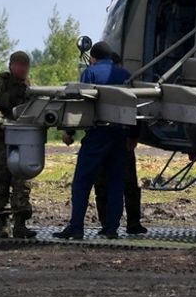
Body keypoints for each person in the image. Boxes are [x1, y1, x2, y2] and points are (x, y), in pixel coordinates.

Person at [56, 41, 131, 240]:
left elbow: (79, 104)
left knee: (82, 181)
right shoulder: (125, 75)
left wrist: (69, 132)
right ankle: (111, 228)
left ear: (93, 58)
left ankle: (76, 226)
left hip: (97, 134)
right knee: (116, 183)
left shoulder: (90, 73)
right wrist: (133, 135)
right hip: (119, 134)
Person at [0, 50, 36, 239]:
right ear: (11, 66)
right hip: (0, 139)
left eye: (25, 66)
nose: (23, 69)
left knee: (22, 180)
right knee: (1, 179)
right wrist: (3, 123)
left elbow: (37, 105)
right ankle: (4, 223)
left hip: (23, 139)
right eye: (20, 66)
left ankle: (20, 223)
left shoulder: (30, 86)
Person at [95, 131, 147, 235]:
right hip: (122, 135)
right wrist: (134, 135)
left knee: (103, 182)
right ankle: (132, 222)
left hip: (104, 136)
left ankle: (108, 223)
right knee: (128, 182)